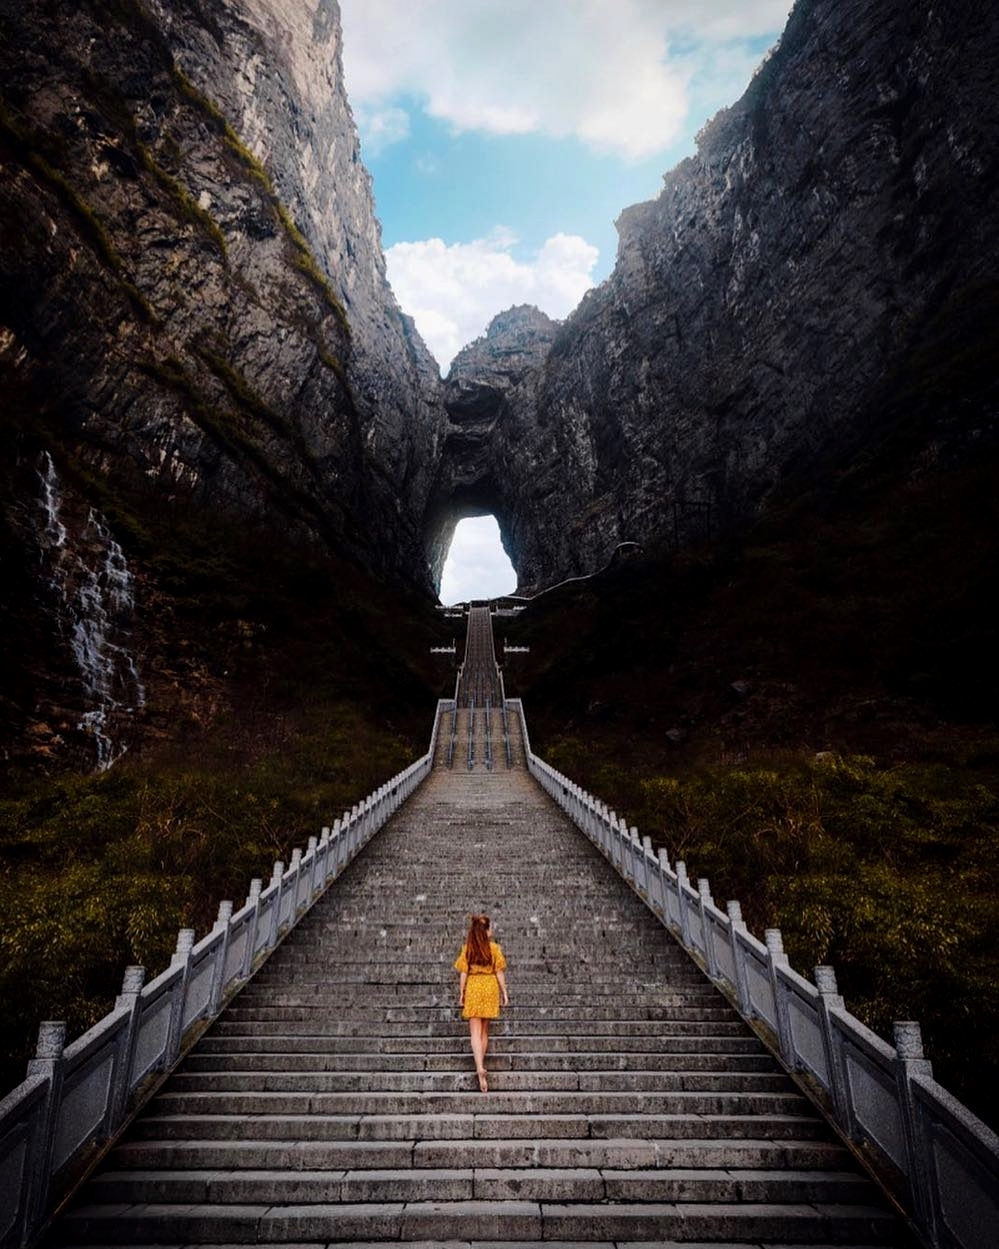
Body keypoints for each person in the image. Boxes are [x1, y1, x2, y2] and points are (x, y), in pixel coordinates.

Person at [454, 912, 509, 1092]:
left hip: (474, 987)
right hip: (489, 987)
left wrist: (461, 993)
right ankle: (482, 1063)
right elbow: (499, 972)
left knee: (474, 1032)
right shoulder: (494, 949)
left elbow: (463, 972)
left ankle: (479, 1068)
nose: (492, 930)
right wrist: (504, 992)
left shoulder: (467, 948)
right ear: (485, 931)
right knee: (484, 1031)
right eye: (490, 928)